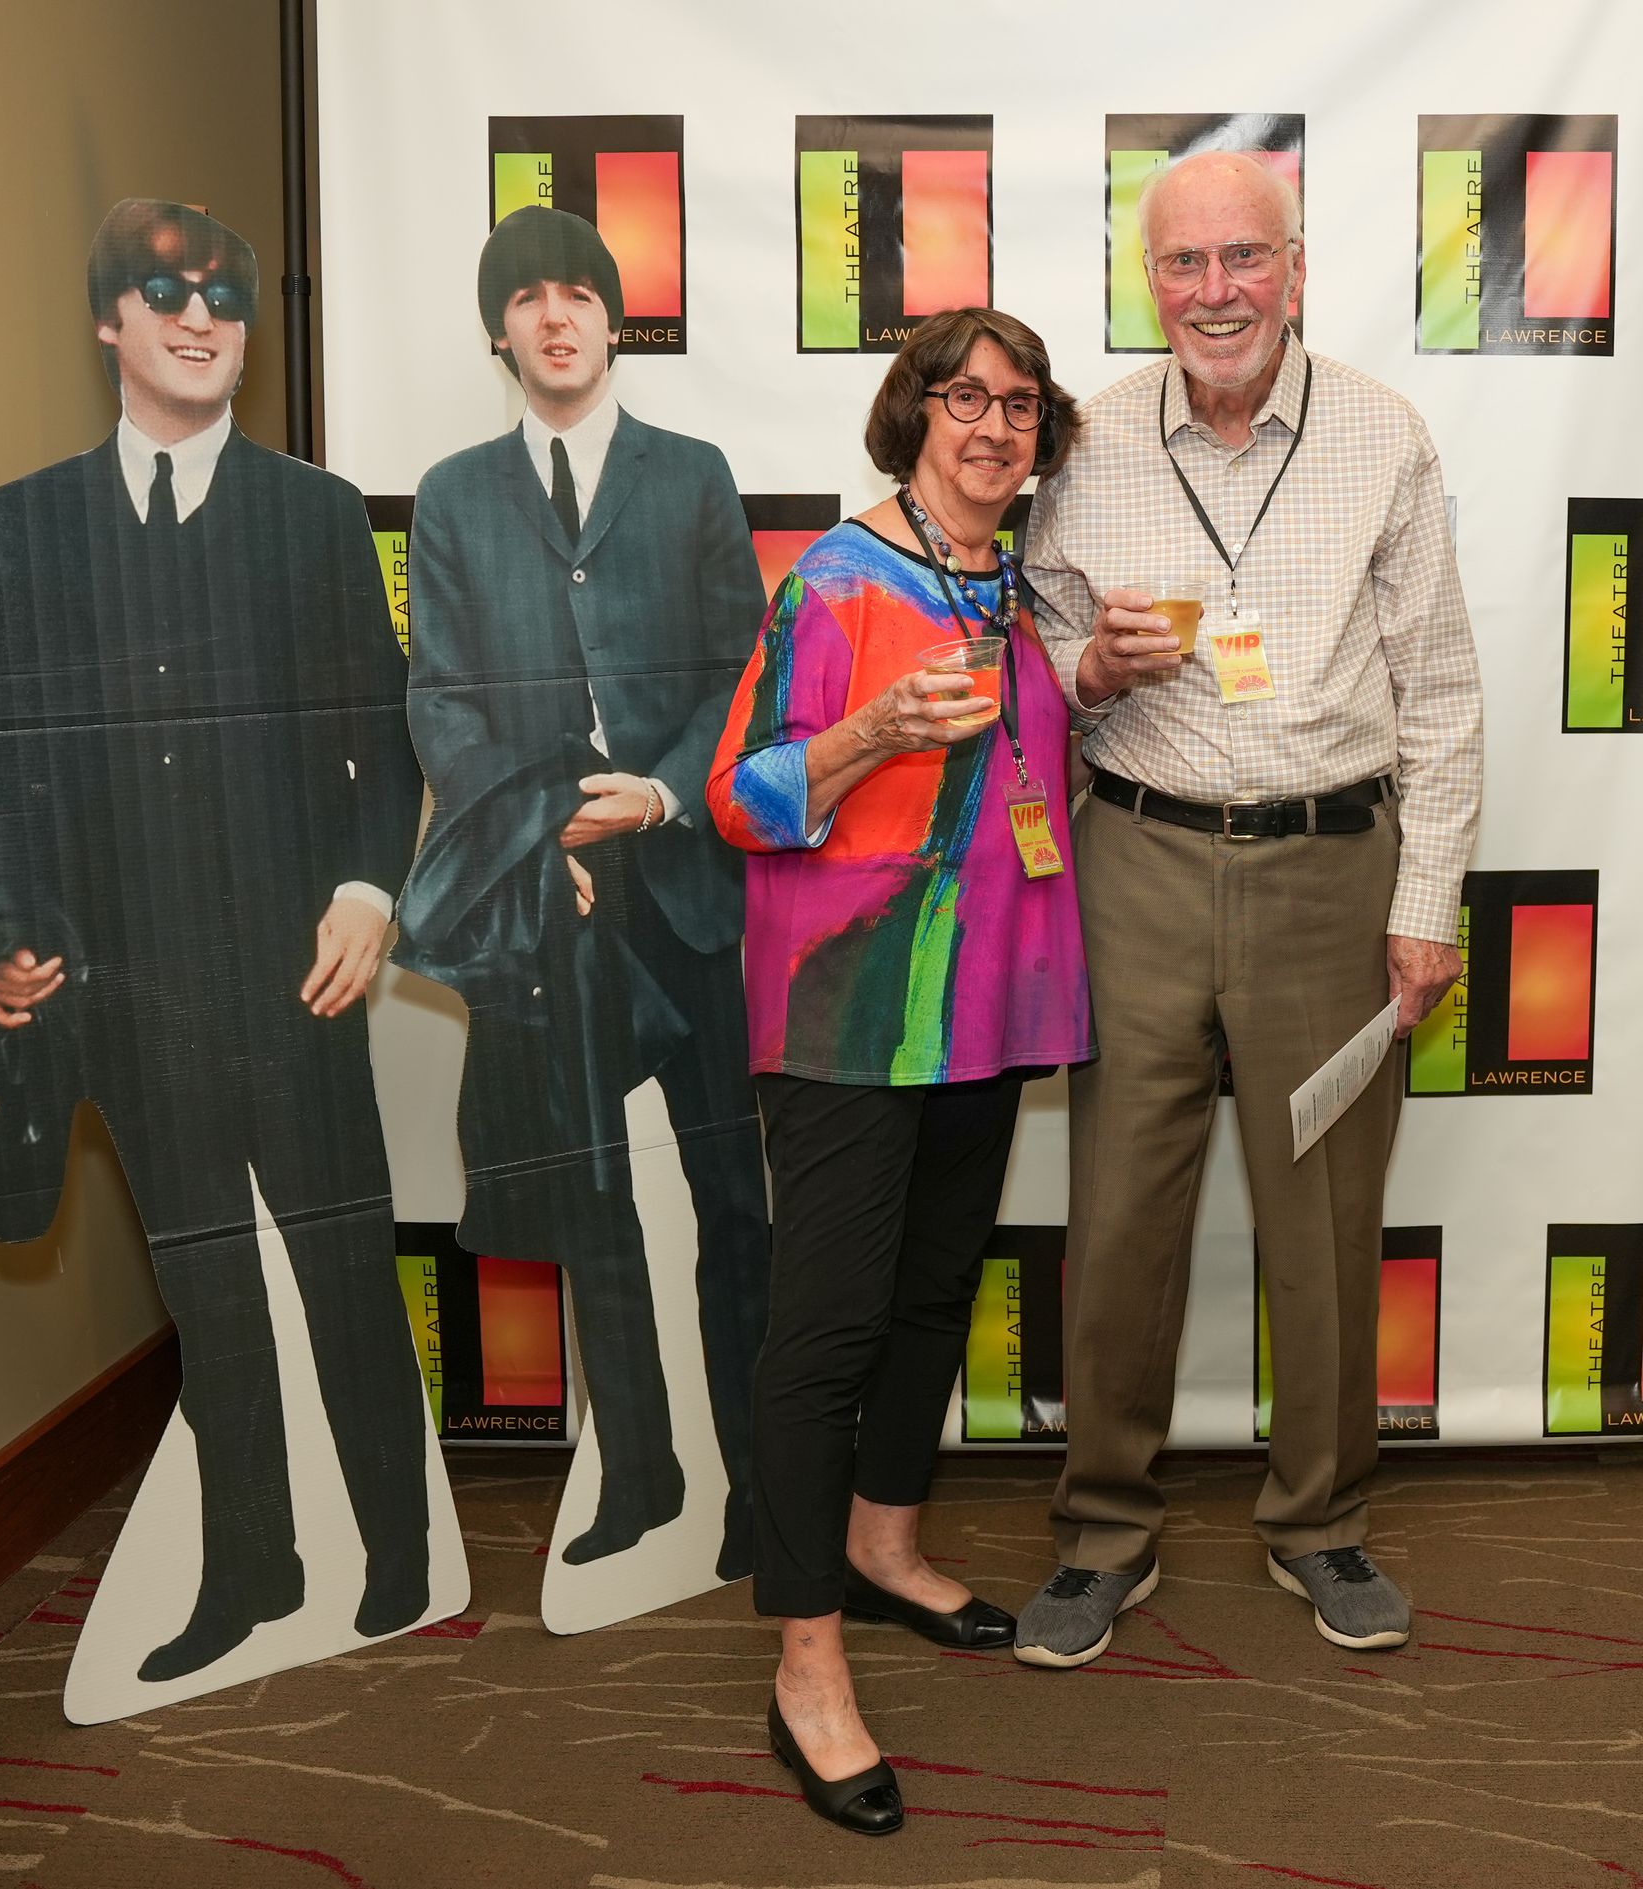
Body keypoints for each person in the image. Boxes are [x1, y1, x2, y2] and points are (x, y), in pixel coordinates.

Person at [0, 200, 433, 1683]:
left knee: (346, 1270)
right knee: (210, 1292)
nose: (202, 313)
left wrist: (368, 891)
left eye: (225, 295)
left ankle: (401, 1560)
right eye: (166, 291)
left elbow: (383, 738)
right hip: (128, 988)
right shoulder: (20, 527)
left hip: (298, 976)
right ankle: (251, 1570)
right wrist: (9, 935)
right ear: (111, 321)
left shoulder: (313, 512)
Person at [1017, 150, 1482, 1668]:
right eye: (1182, 266)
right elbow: (1035, 652)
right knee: (1124, 1214)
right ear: (1145, 281)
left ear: (1294, 267)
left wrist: (1424, 900)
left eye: (1243, 259)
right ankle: (1102, 1531)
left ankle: (1324, 1522)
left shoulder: (1382, 435)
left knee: (1328, 1224)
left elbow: (1444, 694)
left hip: (1330, 872)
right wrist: (1094, 670)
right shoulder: (1077, 443)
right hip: (1137, 864)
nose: (1214, 292)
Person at [709, 309, 1093, 1833]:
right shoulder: (836, 577)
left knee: (936, 1288)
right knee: (829, 1322)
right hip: (851, 1010)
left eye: (1020, 404)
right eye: (964, 398)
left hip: (986, 1004)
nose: (994, 426)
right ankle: (806, 1658)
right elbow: (739, 793)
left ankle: (884, 1542)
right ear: (913, 412)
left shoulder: (1017, 581)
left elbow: (1025, 766)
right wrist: (870, 729)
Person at [394, 207, 772, 1577]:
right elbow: (440, 696)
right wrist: (535, 825)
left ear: (616, 320)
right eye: (528, 298)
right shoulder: (451, 495)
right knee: (596, 1196)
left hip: (685, 885)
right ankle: (648, 1474)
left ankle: (760, 1487)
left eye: (579, 295)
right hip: (550, 897)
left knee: (736, 1197)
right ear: (500, 329)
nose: (557, 317)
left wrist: (664, 793)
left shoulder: (691, 476)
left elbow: (748, 670)